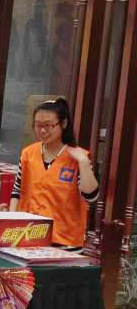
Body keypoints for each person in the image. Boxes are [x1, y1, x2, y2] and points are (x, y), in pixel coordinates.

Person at [8, 97, 99, 250]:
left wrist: (83, 162)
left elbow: (91, 196)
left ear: (63, 124)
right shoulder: (28, 153)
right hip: (26, 235)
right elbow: (17, 191)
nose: (43, 130)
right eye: (38, 125)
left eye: (49, 125)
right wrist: (10, 220)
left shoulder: (78, 157)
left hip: (64, 242)